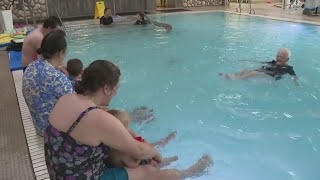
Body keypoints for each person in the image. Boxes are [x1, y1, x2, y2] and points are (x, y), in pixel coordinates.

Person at [45, 60, 213, 179]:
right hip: (80, 177)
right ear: (106, 89)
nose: (116, 93)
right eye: (116, 89)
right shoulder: (97, 117)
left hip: (59, 171)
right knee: (149, 172)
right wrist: (156, 154)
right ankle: (190, 173)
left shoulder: (67, 98)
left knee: (127, 148)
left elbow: (116, 131)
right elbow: (138, 151)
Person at [22, 30, 74, 136]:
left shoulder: (31, 66)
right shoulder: (59, 79)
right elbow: (75, 109)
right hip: (52, 132)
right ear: (60, 53)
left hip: (38, 125)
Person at [107, 109, 178, 168]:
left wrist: (140, 140)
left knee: (146, 146)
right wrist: (139, 157)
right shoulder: (117, 152)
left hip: (135, 153)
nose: (128, 129)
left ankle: (163, 142)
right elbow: (133, 164)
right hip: (135, 164)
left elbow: (136, 137)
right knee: (154, 163)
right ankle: (168, 160)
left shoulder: (124, 132)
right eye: (127, 126)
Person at [220, 48, 299, 85]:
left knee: (253, 73)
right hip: (266, 70)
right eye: (278, 56)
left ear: (287, 59)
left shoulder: (289, 68)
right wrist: (249, 61)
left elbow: (294, 76)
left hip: (273, 75)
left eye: (281, 57)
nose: (278, 58)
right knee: (247, 70)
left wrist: (296, 83)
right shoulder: (273, 62)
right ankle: (234, 75)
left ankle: (236, 78)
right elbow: (262, 62)